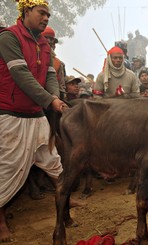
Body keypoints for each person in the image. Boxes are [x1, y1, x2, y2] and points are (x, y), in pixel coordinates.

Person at [0, 0, 80, 242]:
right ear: (26, 11)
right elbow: (21, 75)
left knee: (53, 162)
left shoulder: (43, 43)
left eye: (48, 14)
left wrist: (54, 97)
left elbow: (50, 75)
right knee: (8, 167)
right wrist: (51, 101)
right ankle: (0, 222)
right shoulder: (8, 38)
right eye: (41, 13)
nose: (46, 18)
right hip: (11, 114)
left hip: (36, 113)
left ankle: (65, 202)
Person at [41, 25, 66, 99]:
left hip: (53, 99)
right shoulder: (31, 55)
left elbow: (61, 86)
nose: (49, 42)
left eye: (52, 40)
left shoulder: (59, 63)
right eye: (46, 38)